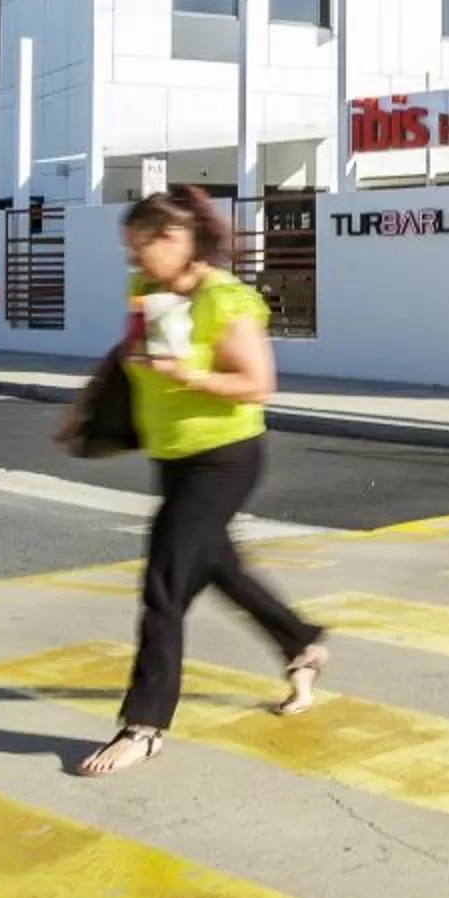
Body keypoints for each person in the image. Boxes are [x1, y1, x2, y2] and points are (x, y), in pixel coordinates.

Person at [69, 186, 326, 776]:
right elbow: (132, 351)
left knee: (164, 585)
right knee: (220, 569)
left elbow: (258, 385)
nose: (134, 261)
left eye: (142, 247)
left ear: (176, 240)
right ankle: (301, 642)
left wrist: (189, 375)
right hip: (174, 456)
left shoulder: (227, 299)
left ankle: (144, 726)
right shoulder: (145, 290)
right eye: (129, 249)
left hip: (224, 459)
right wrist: (103, 390)